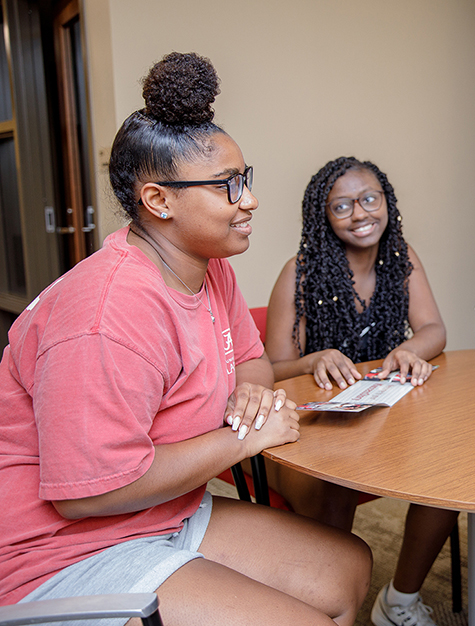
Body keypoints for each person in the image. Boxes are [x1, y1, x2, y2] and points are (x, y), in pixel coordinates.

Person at [0, 52, 372, 625]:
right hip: (57, 550)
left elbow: (251, 361)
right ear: (159, 200)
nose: (249, 200)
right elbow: (86, 494)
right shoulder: (106, 314)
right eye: (228, 186)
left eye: (245, 179)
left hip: (162, 511)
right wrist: (243, 440)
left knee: (346, 566)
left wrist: (251, 396)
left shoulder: (207, 262)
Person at [264, 156, 451, 626]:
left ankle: (400, 601)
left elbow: (434, 329)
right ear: (322, 216)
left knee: (449, 480)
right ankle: (321, 605)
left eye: (370, 199)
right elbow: (270, 369)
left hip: (384, 422)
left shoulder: (401, 257)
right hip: (309, 434)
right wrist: (311, 359)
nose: (360, 213)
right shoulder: (300, 272)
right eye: (342, 205)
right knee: (335, 488)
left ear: (386, 201)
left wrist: (411, 349)